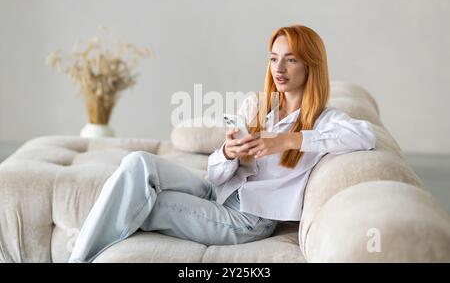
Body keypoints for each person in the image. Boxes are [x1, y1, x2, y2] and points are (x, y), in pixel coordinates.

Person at [68, 24, 376, 263]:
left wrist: (288, 139)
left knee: (147, 203)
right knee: (138, 162)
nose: (278, 69)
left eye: (291, 59)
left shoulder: (325, 120)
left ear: (310, 65)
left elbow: (364, 136)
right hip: (217, 191)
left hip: (248, 219)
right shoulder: (259, 107)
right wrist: (228, 153)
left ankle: (79, 258)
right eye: (273, 59)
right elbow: (215, 175)